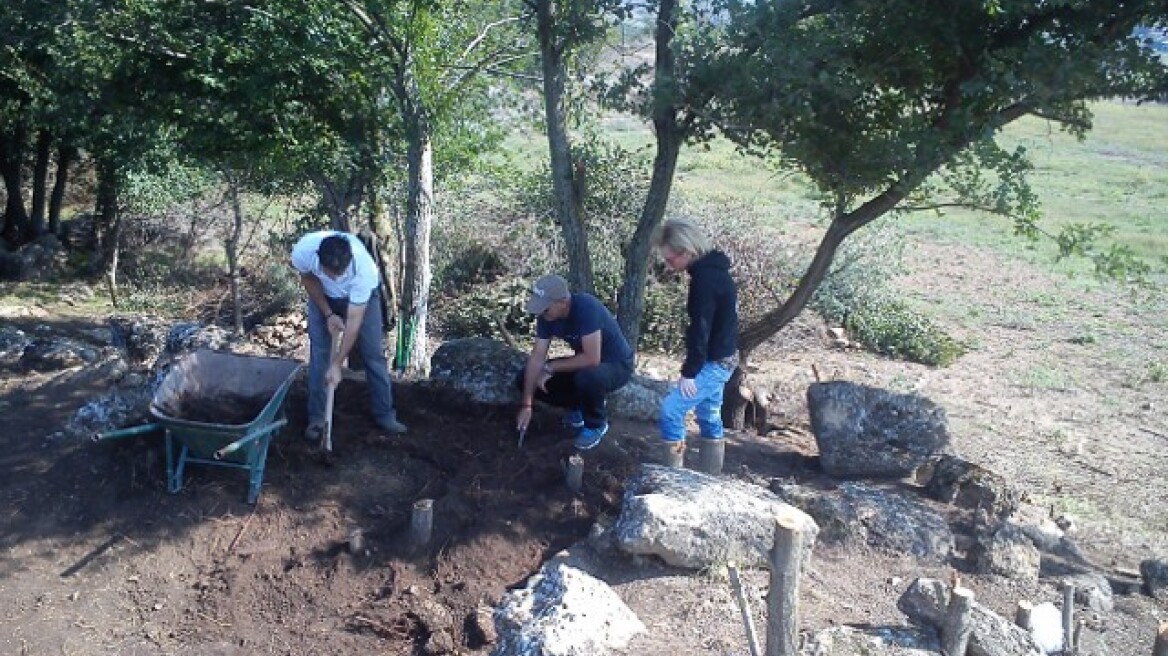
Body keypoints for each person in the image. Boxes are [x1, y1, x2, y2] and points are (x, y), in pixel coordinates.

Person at [291, 230, 407, 443]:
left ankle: (384, 415)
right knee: (320, 355)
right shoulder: (304, 251)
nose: (336, 278)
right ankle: (317, 419)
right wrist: (328, 314)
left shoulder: (365, 271)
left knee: (373, 354)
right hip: (323, 298)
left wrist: (338, 363)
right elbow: (308, 279)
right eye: (330, 273)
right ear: (319, 259)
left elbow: (353, 322)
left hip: (363, 300)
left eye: (341, 273)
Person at [516, 274, 635, 450]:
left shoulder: (586, 308)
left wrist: (550, 367)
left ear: (562, 302)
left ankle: (596, 424)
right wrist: (527, 404)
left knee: (587, 377)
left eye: (546, 309)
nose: (542, 313)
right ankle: (577, 406)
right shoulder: (547, 317)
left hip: (617, 365)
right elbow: (537, 358)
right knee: (523, 378)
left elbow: (592, 358)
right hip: (583, 365)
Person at [652, 219, 739, 459]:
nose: (669, 266)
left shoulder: (704, 281)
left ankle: (674, 475)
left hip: (715, 361)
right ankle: (711, 472)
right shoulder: (716, 272)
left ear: (687, 251)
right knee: (709, 414)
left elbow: (700, 329)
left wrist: (690, 372)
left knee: (671, 410)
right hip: (726, 355)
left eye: (670, 260)